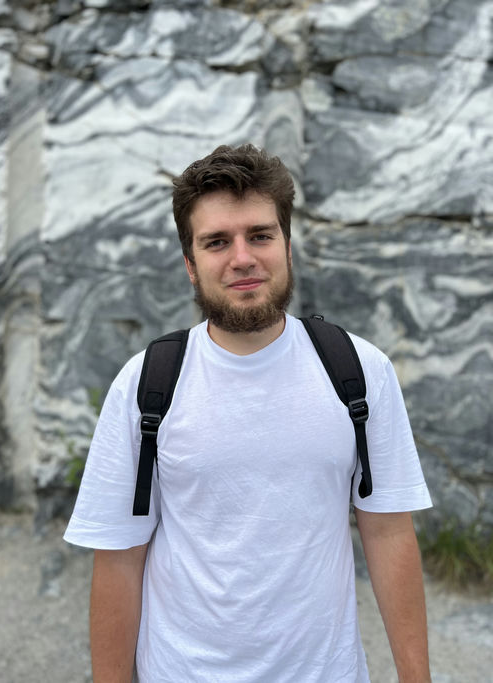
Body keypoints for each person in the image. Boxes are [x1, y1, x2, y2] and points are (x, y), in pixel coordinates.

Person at [64, 144, 433, 683]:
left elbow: (389, 532)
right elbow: (119, 558)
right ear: (191, 266)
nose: (242, 258)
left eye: (260, 235)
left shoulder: (359, 371)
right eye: (217, 242)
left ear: (287, 247)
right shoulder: (146, 386)